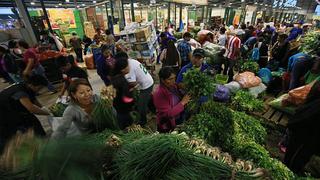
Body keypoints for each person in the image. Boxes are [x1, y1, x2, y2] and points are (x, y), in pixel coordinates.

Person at [0, 75, 50, 152]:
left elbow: (33, 100)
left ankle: (42, 142)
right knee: (10, 136)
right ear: (32, 85)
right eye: (39, 88)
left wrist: (43, 108)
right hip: (4, 115)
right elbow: (31, 108)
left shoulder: (26, 86)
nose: (39, 90)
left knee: (33, 123)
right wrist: (47, 113)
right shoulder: (21, 92)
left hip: (14, 110)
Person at [115, 52, 154, 126]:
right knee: (146, 99)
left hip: (146, 85)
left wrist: (126, 86)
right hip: (148, 81)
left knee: (141, 106)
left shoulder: (128, 68)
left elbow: (133, 83)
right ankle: (152, 110)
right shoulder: (131, 61)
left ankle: (143, 122)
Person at [153, 67, 191, 133]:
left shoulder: (173, 86)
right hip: (167, 124)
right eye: (170, 79)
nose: (173, 81)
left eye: (174, 78)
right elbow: (168, 114)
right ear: (162, 80)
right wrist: (183, 102)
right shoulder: (159, 93)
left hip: (178, 118)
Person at [111, 58, 135, 129]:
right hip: (123, 108)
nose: (129, 67)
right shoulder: (122, 81)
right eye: (128, 65)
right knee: (127, 125)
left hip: (117, 106)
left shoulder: (115, 77)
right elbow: (127, 98)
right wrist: (132, 100)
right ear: (123, 70)